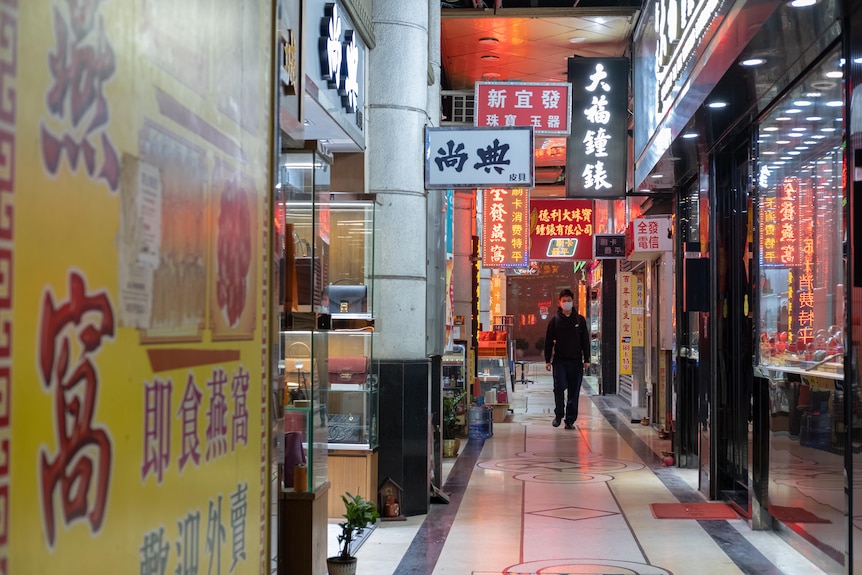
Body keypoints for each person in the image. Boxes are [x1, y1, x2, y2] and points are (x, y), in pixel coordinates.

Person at [544, 288, 590, 429]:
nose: (567, 303)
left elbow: (585, 341)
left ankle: (570, 419)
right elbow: (548, 341)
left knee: (574, 391)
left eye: (569, 300)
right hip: (560, 361)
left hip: (576, 361)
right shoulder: (555, 321)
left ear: (573, 301)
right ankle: (559, 414)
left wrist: (586, 359)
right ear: (559, 302)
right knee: (559, 387)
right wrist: (547, 360)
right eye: (564, 301)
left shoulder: (579, 320)